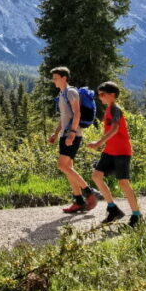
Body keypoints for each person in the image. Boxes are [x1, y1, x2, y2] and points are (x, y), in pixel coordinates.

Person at [86, 81, 142, 227]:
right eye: (99, 95)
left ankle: (137, 216)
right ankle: (113, 209)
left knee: (123, 183)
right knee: (96, 176)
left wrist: (98, 143)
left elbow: (115, 129)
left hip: (122, 151)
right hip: (110, 151)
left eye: (103, 94)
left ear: (112, 95)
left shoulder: (116, 109)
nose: (100, 97)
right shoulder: (109, 109)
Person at [47, 67, 100, 214]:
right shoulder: (62, 93)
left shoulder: (71, 92)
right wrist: (56, 133)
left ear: (64, 78)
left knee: (62, 165)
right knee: (69, 168)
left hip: (73, 135)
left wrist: (71, 133)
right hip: (66, 134)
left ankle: (89, 192)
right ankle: (78, 201)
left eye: (55, 77)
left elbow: (77, 113)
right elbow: (65, 117)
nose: (53, 80)